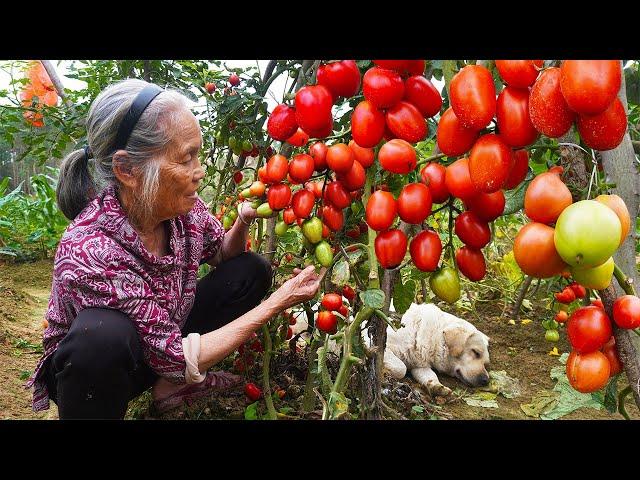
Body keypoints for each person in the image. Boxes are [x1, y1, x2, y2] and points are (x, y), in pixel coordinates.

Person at [25, 78, 325, 419]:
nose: (199, 172)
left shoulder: (182, 208)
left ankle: (171, 386)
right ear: (127, 170)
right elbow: (172, 354)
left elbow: (224, 254)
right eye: (186, 159)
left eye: (198, 153)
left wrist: (243, 221)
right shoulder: (91, 249)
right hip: (108, 370)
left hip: (164, 336)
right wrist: (278, 303)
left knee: (250, 269)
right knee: (100, 337)